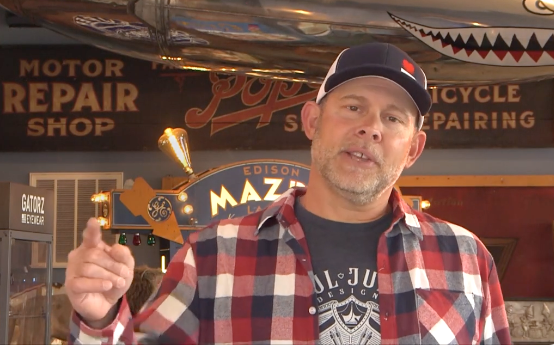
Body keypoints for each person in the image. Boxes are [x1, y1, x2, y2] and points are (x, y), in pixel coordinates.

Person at [65, 42, 511, 345]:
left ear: (413, 148)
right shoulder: (212, 256)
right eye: (353, 106)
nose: (371, 128)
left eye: (393, 118)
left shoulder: (467, 259)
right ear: (312, 121)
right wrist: (99, 318)